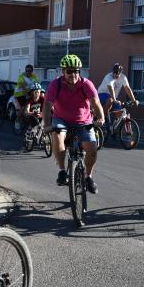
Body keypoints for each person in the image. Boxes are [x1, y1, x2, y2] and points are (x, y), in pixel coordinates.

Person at [43, 54, 104, 194]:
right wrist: (46, 124)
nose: (73, 74)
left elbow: (96, 103)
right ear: (63, 71)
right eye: (69, 71)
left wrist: (101, 118)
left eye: (76, 71)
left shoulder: (86, 84)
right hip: (61, 119)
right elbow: (47, 106)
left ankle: (88, 177)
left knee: (92, 149)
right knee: (57, 135)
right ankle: (62, 171)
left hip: (83, 121)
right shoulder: (55, 85)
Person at [97, 63, 139, 127]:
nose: (115, 75)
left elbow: (127, 89)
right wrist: (114, 99)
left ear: (120, 73)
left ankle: (113, 129)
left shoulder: (123, 77)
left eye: (117, 74)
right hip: (101, 95)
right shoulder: (109, 76)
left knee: (120, 113)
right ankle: (103, 118)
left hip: (113, 97)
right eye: (114, 73)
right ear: (113, 71)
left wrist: (133, 100)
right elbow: (111, 88)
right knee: (110, 100)